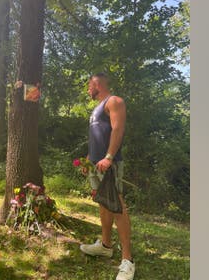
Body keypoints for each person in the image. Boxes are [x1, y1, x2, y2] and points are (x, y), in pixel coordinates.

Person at [79, 73, 135, 280]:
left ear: (97, 84)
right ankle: (105, 245)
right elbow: (97, 138)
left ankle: (128, 260)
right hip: (96, 164)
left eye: (89, 86)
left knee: (117, 205)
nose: (87, 90)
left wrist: (109, 157)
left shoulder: (114, 101)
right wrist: (88, 159)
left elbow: (118, 129)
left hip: (108, 164)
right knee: (103, 203)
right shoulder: (97, 108)